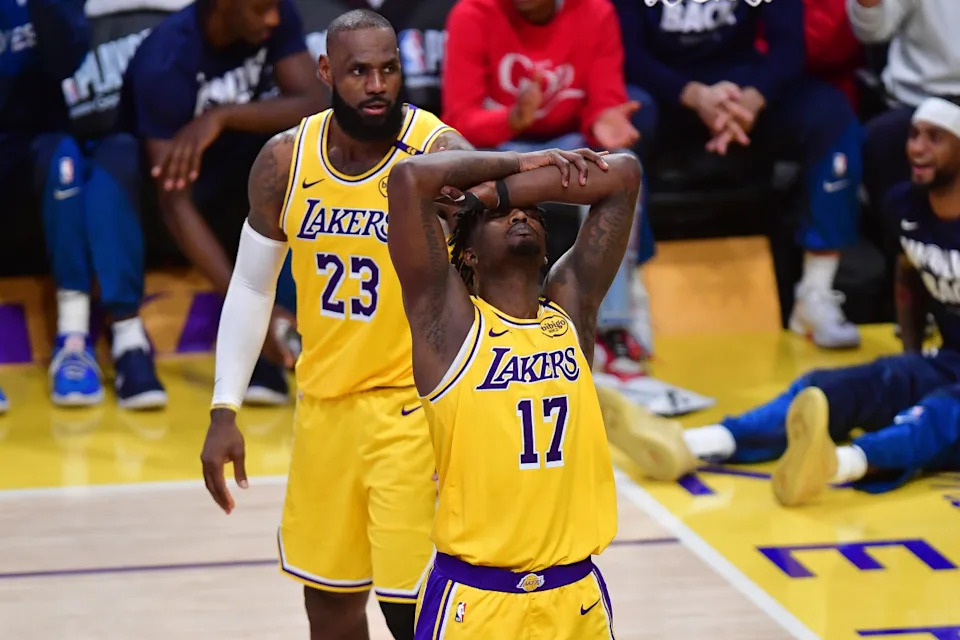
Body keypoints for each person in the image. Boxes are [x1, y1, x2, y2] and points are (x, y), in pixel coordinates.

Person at [198, 10, 473, 640]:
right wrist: (223, 408)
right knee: (328, 608)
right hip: (323, 412)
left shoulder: (438, 155)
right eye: (358, 71)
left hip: (415, 413)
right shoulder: (284, 162)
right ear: (326, 71)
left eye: (388, 69)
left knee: (416, 614)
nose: (376, 84)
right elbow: (250, 284)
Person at [625, 97, 960, 506]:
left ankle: (837, 464)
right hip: (949, 360)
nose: (916, 148)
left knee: (939, 416)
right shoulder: (904, 204)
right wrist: (913, 359)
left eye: (934, 138)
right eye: (913, 135)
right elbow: (908, 271)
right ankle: (696, 443)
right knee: (831, 388)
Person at [386, 140, 640, 636]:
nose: (519, 216)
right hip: (478, 601)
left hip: (576, 596)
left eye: (532, 214)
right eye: (504, 216)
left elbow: (625, 174)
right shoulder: (448, 324)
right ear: (470, 254)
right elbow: (410, 180)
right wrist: (525, 162)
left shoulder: (571, 311)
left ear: (548, 247)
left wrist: (490, 196)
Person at [613, 0, 863, 350]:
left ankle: (816, 292)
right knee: (622, 131)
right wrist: (694, 95)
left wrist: (753, 97)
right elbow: (628, 52)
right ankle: (632, 298)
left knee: (831, 114)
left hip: (740, 91)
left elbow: (790, 44)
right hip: (663, 91)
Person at [121, 0, 326, 403]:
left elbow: (314, 103)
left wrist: (221, 117)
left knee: (294, 158)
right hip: (163, 205)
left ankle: (286, 334)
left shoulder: (273, 14)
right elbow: (173, 203)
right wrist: (247, 311)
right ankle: (131, 339)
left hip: (233, 188)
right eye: (259, 9)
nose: (272, 18)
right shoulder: (164, 60)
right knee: (115, 161)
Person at [443, 0, 657, 376]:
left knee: (620, 167)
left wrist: (603, 122)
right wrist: (510, 120)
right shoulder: (472, 12)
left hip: (572, 142)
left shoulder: (595, 11)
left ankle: (614, 325)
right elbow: (460, 117)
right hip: (500, 148)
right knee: (455, 176)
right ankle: (471, 321)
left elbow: (604, 99)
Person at [847, 0, 960, 214]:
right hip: (916, 98)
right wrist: (868, 5)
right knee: (881, 139)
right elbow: (872, 31)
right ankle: (901, 242)